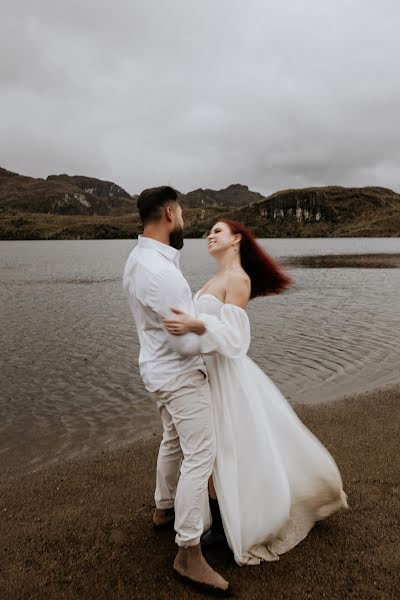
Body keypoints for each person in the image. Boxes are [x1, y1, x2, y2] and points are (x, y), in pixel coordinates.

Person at [164, 219, 348, 566]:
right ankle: (219, 520)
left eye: (217, 231)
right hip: (207, 372)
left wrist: (196, 323)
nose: (209, 236)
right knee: (213, 450)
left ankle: (233, 521)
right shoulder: (211, 281)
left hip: (228, 376)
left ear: (236, 240)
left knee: (228, 448)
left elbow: (235, 339)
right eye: (209, 232)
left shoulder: (239, 280)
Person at [123, 187, 232, 596]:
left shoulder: (137, 260)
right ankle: (188, 553)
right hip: (180, 374)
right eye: (181, 211)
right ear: (169, 213)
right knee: (200, 453)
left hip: (155, 370)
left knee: (172, 439)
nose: (184, 219)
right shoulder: (161, 272)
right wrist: (215, 329)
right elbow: (185, 342)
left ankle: (163, 508)